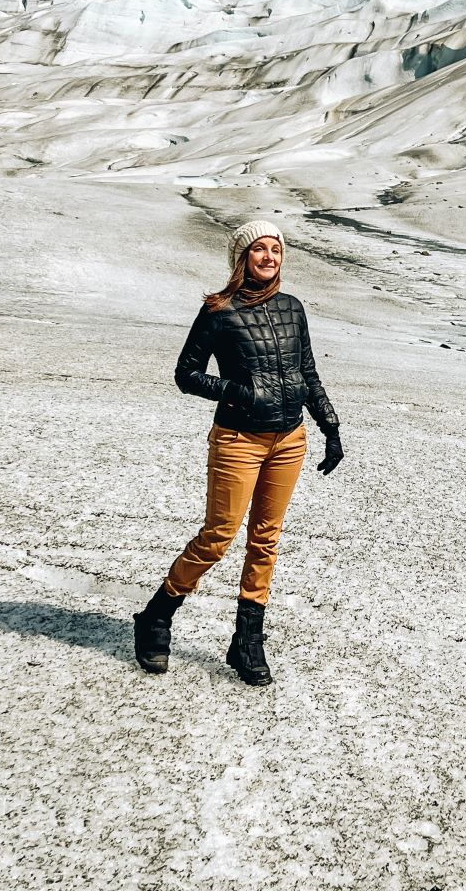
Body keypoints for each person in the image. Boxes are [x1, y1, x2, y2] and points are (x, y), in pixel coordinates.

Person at [133, 220, 344, 686]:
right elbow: (186, 374)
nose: (269, 257)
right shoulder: (218, 311)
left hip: (289, 440)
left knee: (265, 539)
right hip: (238, 441)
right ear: (242, 257)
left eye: (276, 249)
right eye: (259, 250)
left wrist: (330, 425)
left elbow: (307, 370)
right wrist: (238, 392)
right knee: (219, 536)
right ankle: (156, 615)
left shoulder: (292, 308)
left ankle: (246, 641)